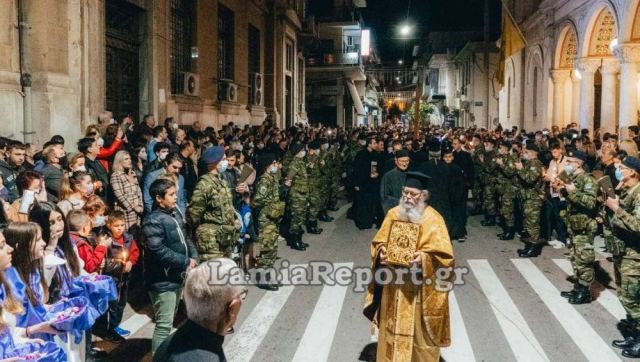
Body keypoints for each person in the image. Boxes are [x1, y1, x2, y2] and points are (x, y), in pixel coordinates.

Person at [363, 172, 454, 361]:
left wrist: (422, 258)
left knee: (420, 339)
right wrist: (382, 253)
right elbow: (378, 242)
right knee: (390, 334)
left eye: (413, 194)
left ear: (423, 196)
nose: (408, 198)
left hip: (419, 291)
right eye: (405, 193)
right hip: (393, 288)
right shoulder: (393, 213)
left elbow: (445, 257)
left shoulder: (433, 219)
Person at [144, 179, 198, 354]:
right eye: (171, 194)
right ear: (159, 198)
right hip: (162, 279)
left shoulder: (174, 214)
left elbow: (185, 237)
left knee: (170, 319)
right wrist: (184, 261)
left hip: (176, 276)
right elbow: (157, 250)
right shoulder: (153, 220)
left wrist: (193, 255)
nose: (176, 197)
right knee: (164, 325)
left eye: (176, 193)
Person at [153, 259, 246, 362]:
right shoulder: (208, 356)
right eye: (242, 295)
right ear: (232, 309)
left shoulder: (170, 343)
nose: (242, 300)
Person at [603, 156, 640, 356]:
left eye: (622, 168)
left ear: (633, 172)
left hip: (635, 256)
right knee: (626, 296)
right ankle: (634, 335)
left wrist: (617, 209)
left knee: (633, 298)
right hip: (624, 253)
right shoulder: (628, 190)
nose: (618, 170)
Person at [555, 149, 598, 304]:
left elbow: (590, 203)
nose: (567, 164)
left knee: (584, 258)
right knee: (575, 257)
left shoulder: (588, 180)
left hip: (584, 226)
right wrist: (562, 191)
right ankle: (578, 287)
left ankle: (585, 292)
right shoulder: (572, 178)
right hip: (574, 225)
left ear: (579, 163)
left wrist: (572, 192)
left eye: (570, 162)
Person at [93, 211, 140, 341]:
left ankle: (114, 326)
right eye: (116, 226)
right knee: (110, 305)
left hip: (124, 278)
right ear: (109, 225)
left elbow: (135, 252)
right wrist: (117, 264)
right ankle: (106, 330)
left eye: (122, 225)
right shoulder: (106, 240)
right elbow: (102, 261)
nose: (120, 228)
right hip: (110, 279)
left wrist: (131, 261)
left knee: (121, 303)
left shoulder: (128, 238)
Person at [189, 147, 239, 260]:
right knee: (213, 273)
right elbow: (193, 214)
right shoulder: (204, 184)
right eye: (224, 159)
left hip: (224, 237)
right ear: (214, 162)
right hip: (211, 241)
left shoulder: (221, 181)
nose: (226, 162)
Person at [253, 155, 285, 290]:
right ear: (267, 166)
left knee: (272, 249)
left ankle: (268, 276)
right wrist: (271, 205)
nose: (275, 165)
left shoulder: (272, 178)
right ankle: (262, 279)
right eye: (273, 163)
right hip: (266, 219)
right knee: (267, 250)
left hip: (273, 218)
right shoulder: (264, 181)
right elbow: (258, 200)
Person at [516, 143, 545, 257]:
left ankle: (533, 248)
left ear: (533, 153)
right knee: (527, 224)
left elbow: (529, 179)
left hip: (533, 198)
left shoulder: (536, 164)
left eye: (526, 152)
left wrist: (521, 169)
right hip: (527, 197)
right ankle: (528, 246)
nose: (524, 154)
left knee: (532, 224)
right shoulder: (529, 163)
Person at [67, 209, 111, 274]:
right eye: (89, 225)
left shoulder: (68, 238)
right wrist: (102, 247)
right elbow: (90, 267)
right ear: (84, 228)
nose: (91, 228)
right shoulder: (81, 244)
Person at [353, 137, 383, 230]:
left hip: (373, 183)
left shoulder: (376, 154)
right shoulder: (361, 154)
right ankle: (361, 222)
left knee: (371, 202)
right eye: (374, 143)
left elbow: (379, 167)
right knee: (362, 203)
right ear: (369, 144)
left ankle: (369, 220)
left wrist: (378, 173)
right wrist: (356, 184)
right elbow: (356, 170)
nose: (376, 145)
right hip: (363, 183)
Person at [284, 143, 309, 250]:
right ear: (298, 151)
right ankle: (294, 242)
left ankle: (299, 239)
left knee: (300, 217)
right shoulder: (295, 163)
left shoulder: (300, 162)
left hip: (302, 194)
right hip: (296, 195)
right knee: (296, 219)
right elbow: (289, 179)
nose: (304, 151)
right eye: (303, 149)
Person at [111, 150, 144, 229]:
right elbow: (119, 195)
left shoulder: (132, 173)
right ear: (119, 161)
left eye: (130, 159)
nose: (130, 161)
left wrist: (140, 206)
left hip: (137, 212)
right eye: (126, 159)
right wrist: (134, 207)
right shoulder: (116, 175)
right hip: (126, 212)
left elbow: (139, 191)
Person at [441, 145, 468, 242]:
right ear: (443, 157)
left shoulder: (456, 168)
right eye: (446, 157)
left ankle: (459, 233)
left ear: (452, 157)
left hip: (456, 195)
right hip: (445, 195)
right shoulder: (440, 168)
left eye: (449, 157)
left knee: (458, 215)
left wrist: (458, 195)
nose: (448, 159)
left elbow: (461, 183)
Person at [380, 149, 410, 214]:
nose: (405, 164)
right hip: (395, 211)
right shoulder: (388, 176)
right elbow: (384, 197)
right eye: (402, 161)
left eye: (407, 161)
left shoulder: (413, 174)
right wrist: (401, 202)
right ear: (396, 161)